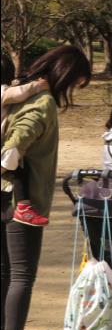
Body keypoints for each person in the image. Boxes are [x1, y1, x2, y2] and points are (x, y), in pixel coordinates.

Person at [1, 45, 91, 330]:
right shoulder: (43, 103)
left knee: (6, 273)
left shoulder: (15, 93)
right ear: (66, 75)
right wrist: (13, 151)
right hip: (21, 201)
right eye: (77, 82)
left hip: (1, 196)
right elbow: (21, 137)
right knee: (23, 275)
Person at [0, 56, 50, 227]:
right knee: (20, 166)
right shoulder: (4, 92)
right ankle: (23, 207)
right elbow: (21, 93)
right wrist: (41, 85)